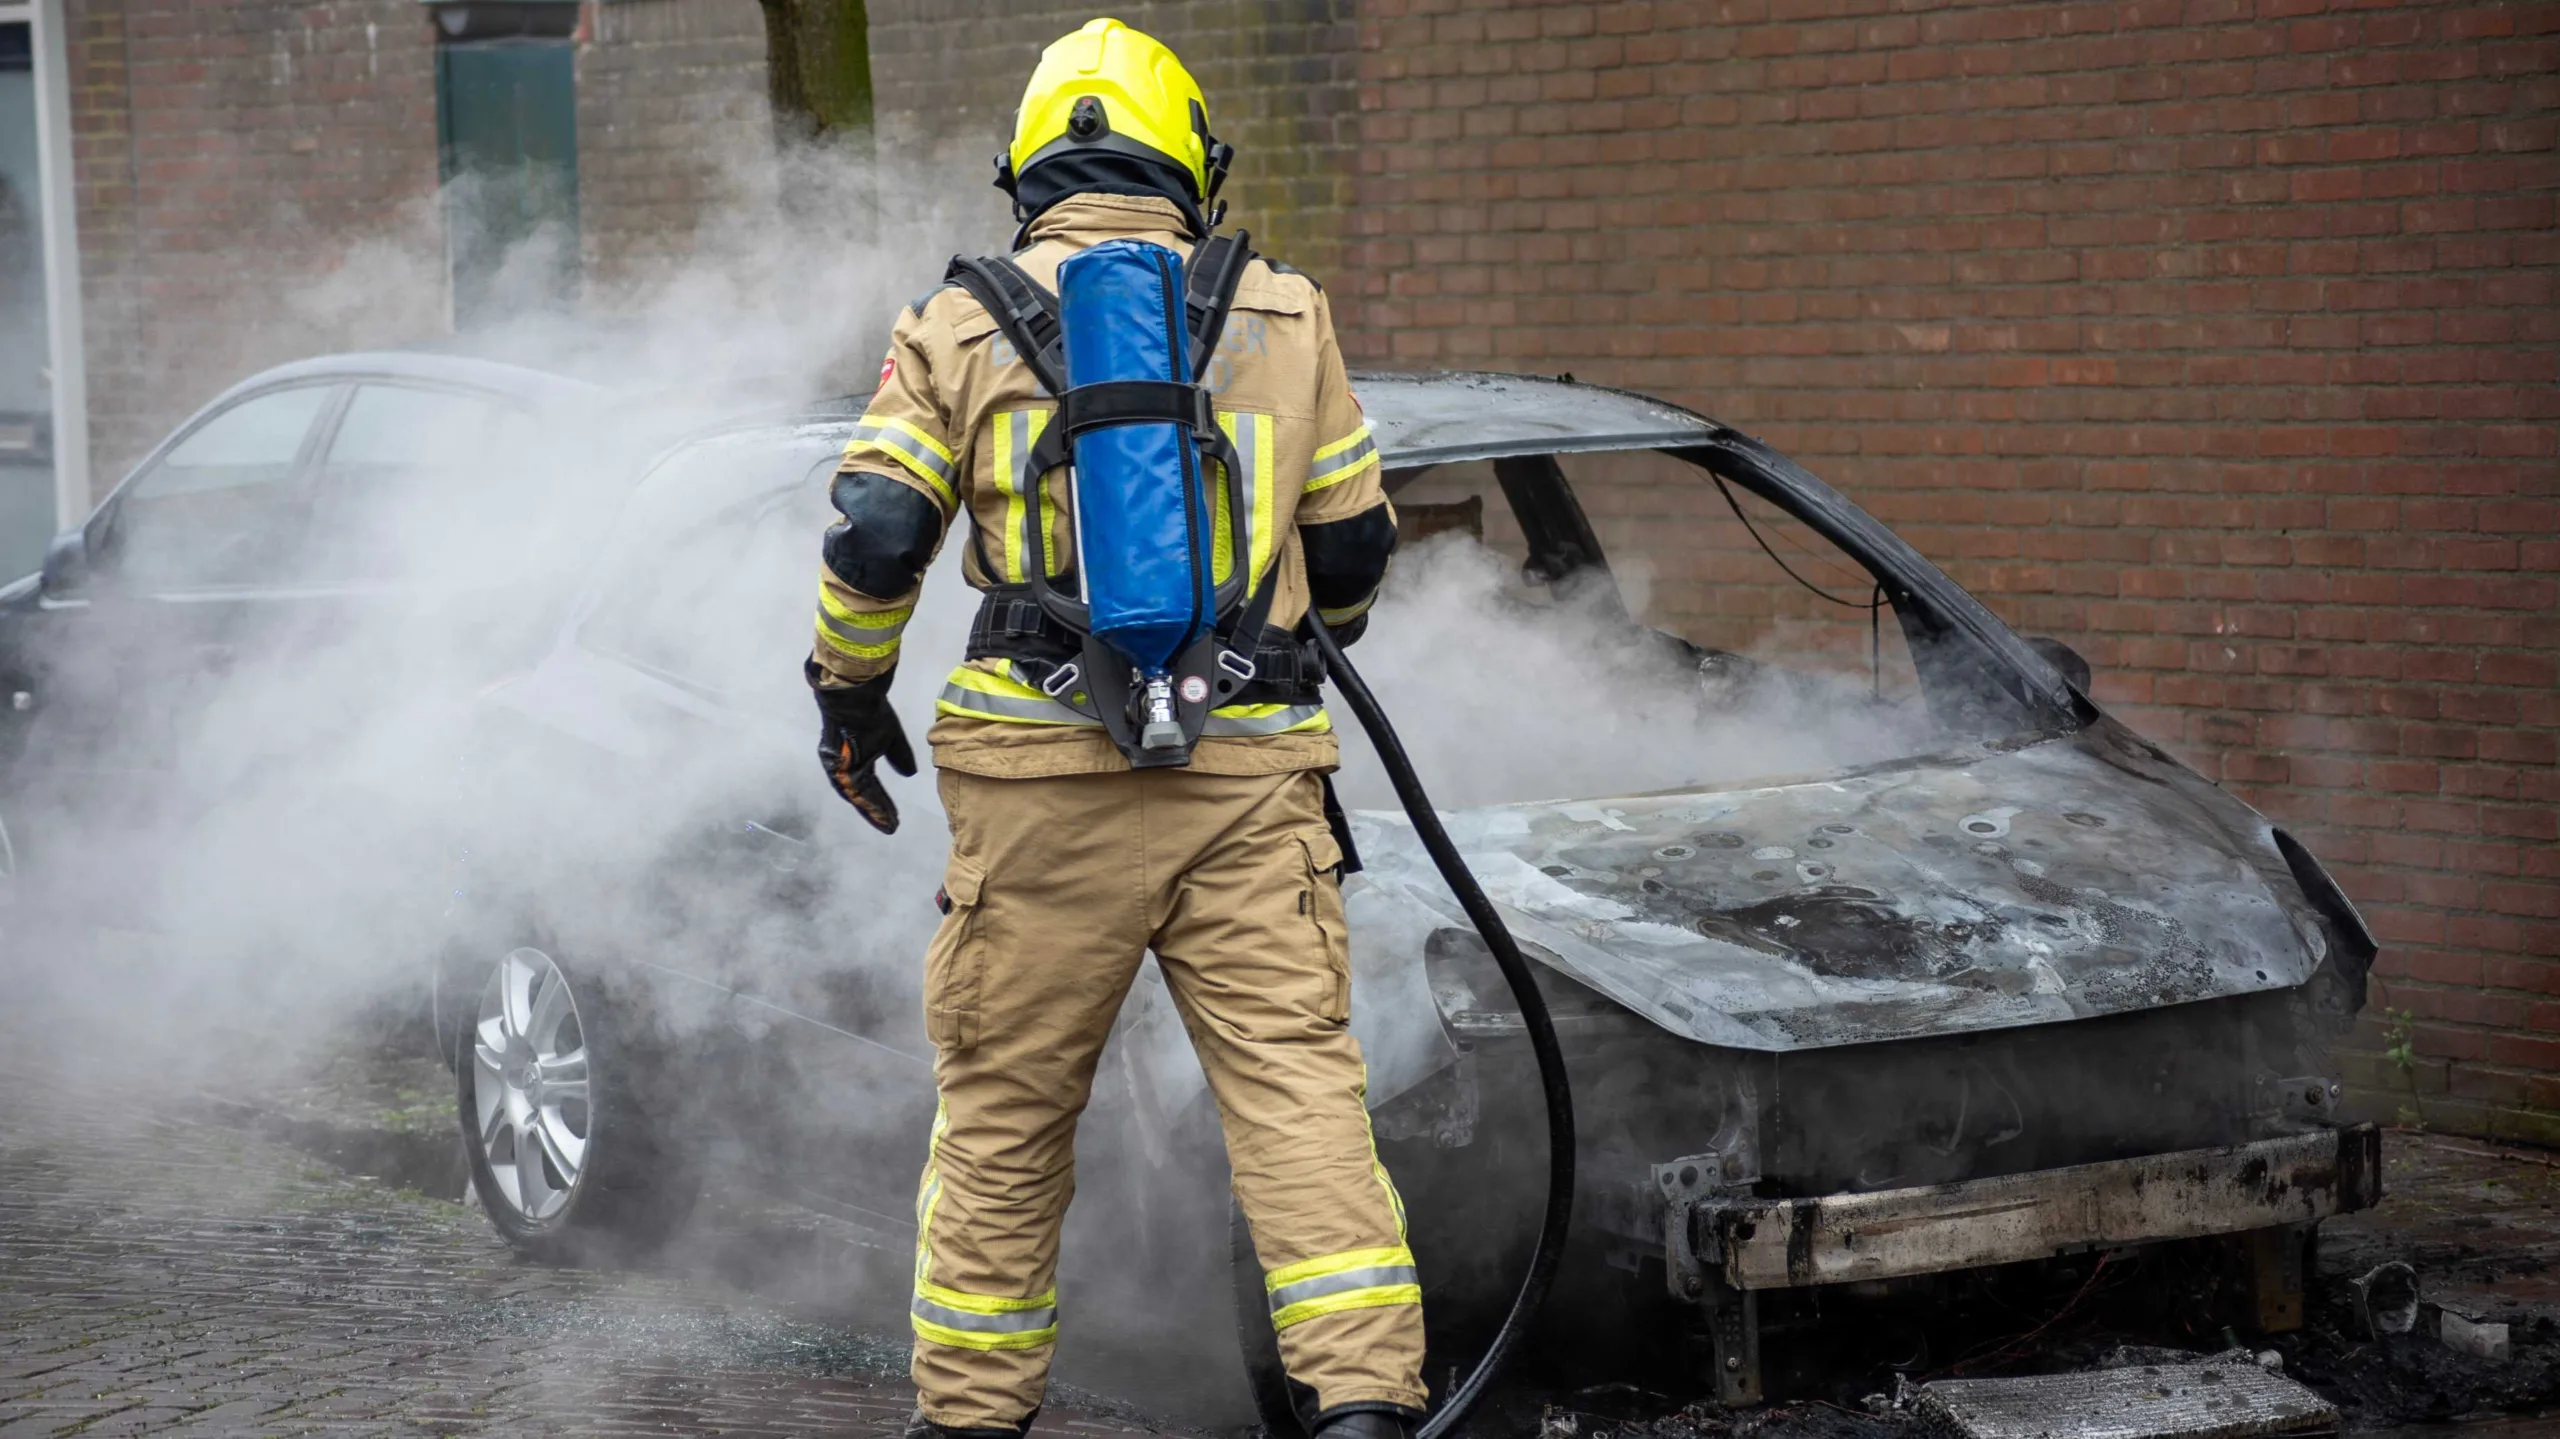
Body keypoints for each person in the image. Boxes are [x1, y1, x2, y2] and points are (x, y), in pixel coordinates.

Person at [801, 18, 1418, 1439]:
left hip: (1034, 786)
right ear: (1193, 164)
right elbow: (1357, 543)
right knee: (1298, 1101)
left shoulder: (955, 322)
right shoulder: (1288, 313)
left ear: (1026, 173)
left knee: (1006, 1119)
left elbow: (878, 529)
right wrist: (1287, 644)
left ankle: (972, 1417)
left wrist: (848, 687)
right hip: (1248, 778)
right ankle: (1364, 1410)